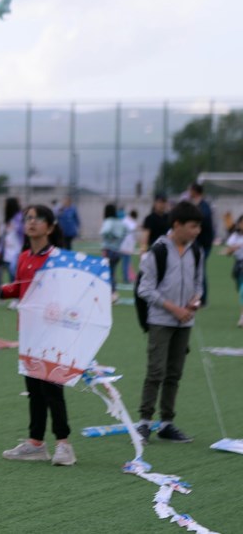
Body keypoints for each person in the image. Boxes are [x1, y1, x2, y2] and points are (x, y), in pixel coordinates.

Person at [0, 205, 75, 466]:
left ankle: (64, 444)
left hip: (52, 333)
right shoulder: (24, 257)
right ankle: (36, 443)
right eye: (28, 218)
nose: (32, 222)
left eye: (38, 219)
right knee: (34, 389)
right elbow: (17, 288)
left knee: (52, 388)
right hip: (29, 330)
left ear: (50, 227)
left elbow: (69, 295)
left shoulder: (59, 258)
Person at [134, 201, 205, 444]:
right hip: (161, 320)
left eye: (199, 227)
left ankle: (167, 423)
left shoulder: (197, 251)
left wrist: (194, 302)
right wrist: (173, 308)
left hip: (185, 321)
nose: (197, 231)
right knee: (156, 371)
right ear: (177, 225)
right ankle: (144, 421)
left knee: (174, 373)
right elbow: (145, 288)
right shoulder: (158, 251)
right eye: (193, 226)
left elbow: (198, 283)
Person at [187, 183, 214, 305]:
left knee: (199, 269)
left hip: (204, 243)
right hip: (196, 242)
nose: (188, 192)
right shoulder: (195, 205)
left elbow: (205, 221)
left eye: (190, 190)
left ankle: (202, 299)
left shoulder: (204, 206)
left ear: (195, 191)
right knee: (194, 269)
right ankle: (195, 296)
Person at [99, 203, 127, 294]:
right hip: (117, 251)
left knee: (106, 272)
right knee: (112, 273)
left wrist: (111, 237)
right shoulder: (120, 222)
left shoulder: (108, 221)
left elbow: (104, 231)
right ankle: (113, 291)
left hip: (108, 249)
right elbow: (126, 231)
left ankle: (109, 292)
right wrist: (119, 240)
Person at [224, 214, 243, 328]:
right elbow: (228, 252)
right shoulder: (234, 236)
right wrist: (232, 249)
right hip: (239, 266)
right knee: (240, 289)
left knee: (242, 292)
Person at [1, 197, 24, 283]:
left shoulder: (19, 218)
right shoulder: (8, 220)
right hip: (7, 254)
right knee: (11, 279)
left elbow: (22, 234)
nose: (4, 207)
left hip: (17, 252)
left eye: (5, 205)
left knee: (16, 278)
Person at [119, 209, 139, 284]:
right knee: (126, 262)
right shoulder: (130, 222)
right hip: (126, 245)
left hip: (123, 244)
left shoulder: (124, 220)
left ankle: (126, 277)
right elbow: (133, 228)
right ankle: (125, 278)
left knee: (126, 262)